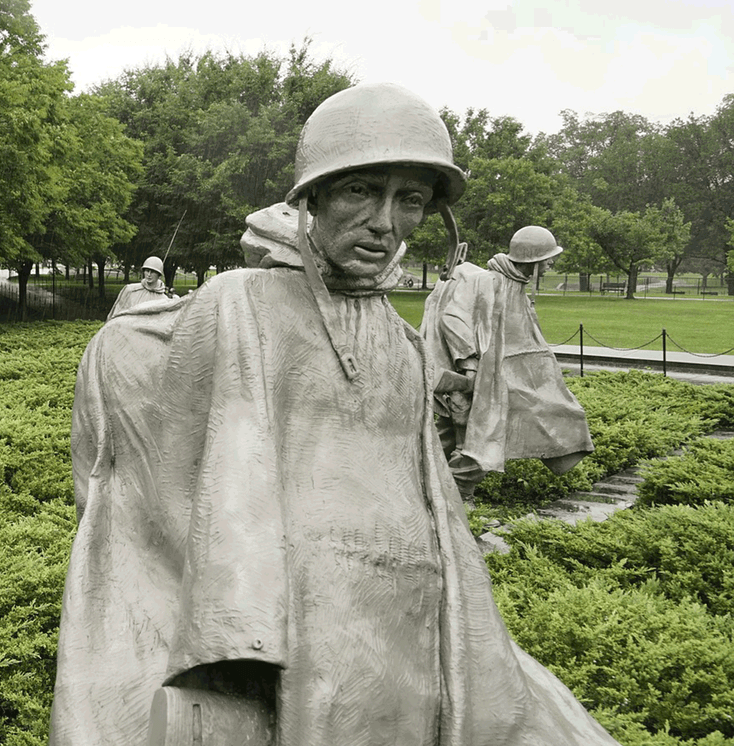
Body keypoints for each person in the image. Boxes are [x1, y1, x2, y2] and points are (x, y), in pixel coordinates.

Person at [51, 83, 619, 746]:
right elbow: (173, 448)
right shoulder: (241, 304)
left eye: (409, 200)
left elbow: (431, 503)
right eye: (361, 192)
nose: (385, 222)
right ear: (311, 200)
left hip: (409, 618)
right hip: (307, 629)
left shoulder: (401, 342)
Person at [422, 226, 593, 502]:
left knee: (453, 440)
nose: (551, 263)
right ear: (532, 258)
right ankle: (455, 502)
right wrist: (469, 365)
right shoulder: (488, 282)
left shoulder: (516, 288)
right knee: (475, 443)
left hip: (497, 380)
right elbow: (453, 319)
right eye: (547, 258)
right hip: (475, 381)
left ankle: (429, 494)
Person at [107, 256, 175, 319]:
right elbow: (116, 315)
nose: (149, 275)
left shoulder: (164, 300)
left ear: (159, 274)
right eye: (147, 271)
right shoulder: (130, 290)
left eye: (153, 272)